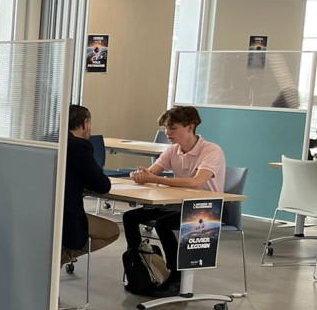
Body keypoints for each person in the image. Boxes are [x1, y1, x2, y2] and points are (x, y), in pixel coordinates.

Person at [121, 105, 226, 283]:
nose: (167, 132)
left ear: (190, 127)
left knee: (163, 224)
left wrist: (156, 178)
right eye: (166, 128)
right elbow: (151, 172)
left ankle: (175, 276)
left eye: (173, 128)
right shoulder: (173, 149)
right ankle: (140, 264)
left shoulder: (211, 150)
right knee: (130, 217)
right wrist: (140, 176)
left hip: (206, 211)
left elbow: (196, 182)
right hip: (179, 206)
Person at [60, 104, 119, 266]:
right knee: (112, 231)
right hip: (66, 219)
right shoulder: (79, 146)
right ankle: (60, 259)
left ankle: (55, 261)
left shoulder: (48, 141)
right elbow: (102, 186)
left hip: (40, 216)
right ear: (86, 124)